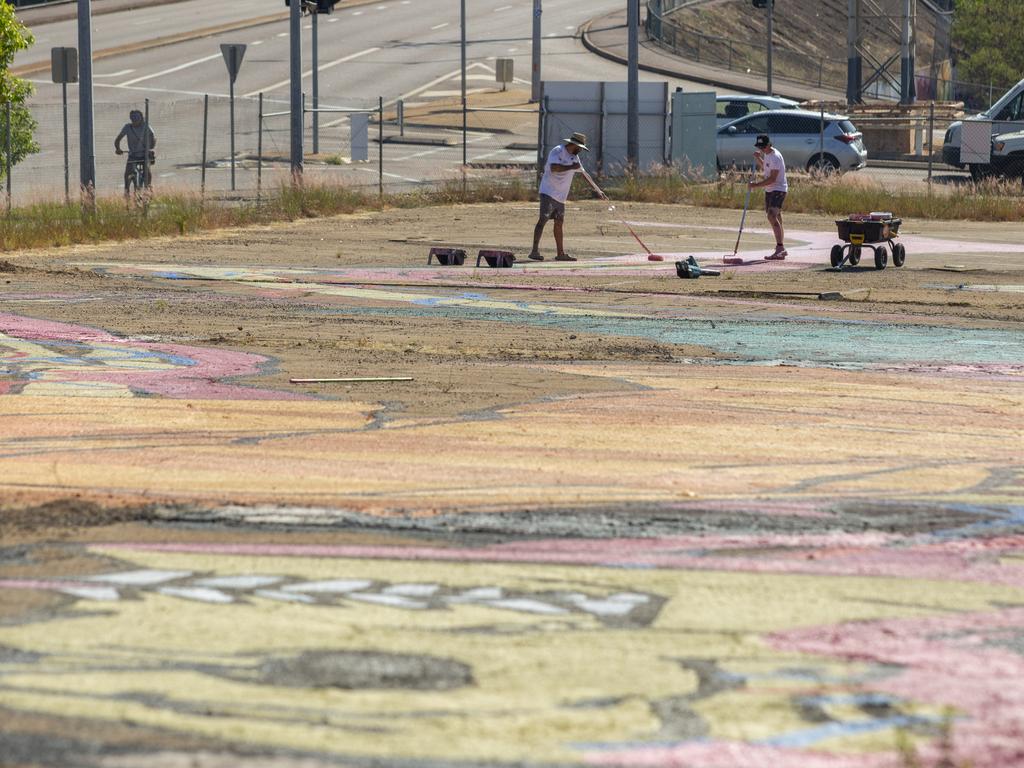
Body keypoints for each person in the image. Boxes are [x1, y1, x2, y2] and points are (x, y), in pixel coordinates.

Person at [528, 131, 590, 262]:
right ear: (575, 145)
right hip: (548, 191)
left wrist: (598, 191)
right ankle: (534, 251)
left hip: (561, 196)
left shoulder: (575, 157)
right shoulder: (558, 151)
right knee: (543, 219)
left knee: (559, 223)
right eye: (580, 148)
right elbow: (554, 168)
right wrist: (571, 167)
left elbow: (584, 173)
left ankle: (560, 253)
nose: (581, 151)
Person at [749, 134, 788, 260]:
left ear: (769, 145)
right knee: (775, 217)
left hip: (778, 189)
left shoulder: (775, 156)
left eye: (763, 147)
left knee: (771, 215)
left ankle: (780, 247)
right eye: (760, 147)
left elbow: (772, 178)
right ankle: (781, 249)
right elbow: (766, 168)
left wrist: (755, 185)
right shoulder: (767, 154)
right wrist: (758, 159)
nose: (762, 149)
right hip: (770, 190)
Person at [114, 109, 156, 197]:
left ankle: (148, 187)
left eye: (137, 117)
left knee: (147, 170)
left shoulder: (146, 126)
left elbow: (153, 136)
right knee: (127, 173)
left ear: (141, 118)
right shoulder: (127, 127)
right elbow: (118, 139)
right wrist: (118, 149)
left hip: (144, 154)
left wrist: (150, 146)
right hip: (133, 154)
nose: (135, 119)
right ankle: (127, 190)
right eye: (133, 117)